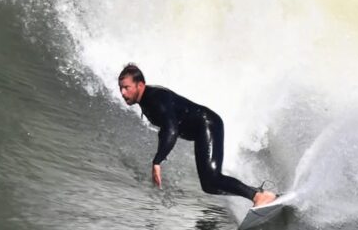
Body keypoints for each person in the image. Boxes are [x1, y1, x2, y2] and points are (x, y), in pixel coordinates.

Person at [118, 64, 278, 207]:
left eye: (126, 87)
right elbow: (166, 127)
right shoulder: (147, 101)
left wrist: (157, 161)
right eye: (121, 88)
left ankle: (257, 196)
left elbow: (171, 130)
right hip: (201, 130)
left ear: (140, 85)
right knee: (209, 186)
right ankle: (258, 193)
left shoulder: (154, 99)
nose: (123, 93)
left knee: (213, 178)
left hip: (207, 124)